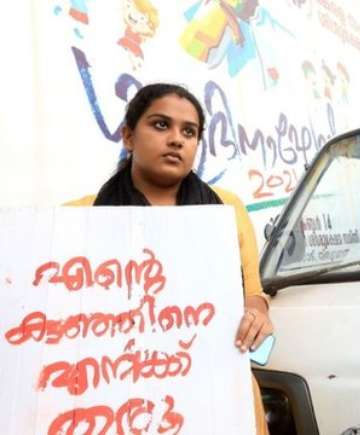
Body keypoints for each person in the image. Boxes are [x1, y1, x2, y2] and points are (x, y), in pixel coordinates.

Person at [65, 83, 272, 435]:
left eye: (189, 131)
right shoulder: (79, 218)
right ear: (128, 136)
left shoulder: (227, 210)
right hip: (120, 397)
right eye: (161, 125)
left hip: (221, 395)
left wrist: (257, 315)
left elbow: (253, 293)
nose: (176, 139)